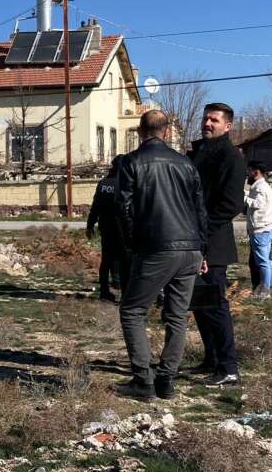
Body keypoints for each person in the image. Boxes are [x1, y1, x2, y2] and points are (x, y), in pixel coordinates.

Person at [112, 110, 207, 402]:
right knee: (177, 316)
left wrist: (132, 244)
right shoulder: (185, 163)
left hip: (156, 247)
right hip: (189, 248)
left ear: (140, 132)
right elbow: (199, 209)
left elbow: (123, 208)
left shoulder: (131, 162)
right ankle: (166, 380)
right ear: (166, 132)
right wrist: (202, 248)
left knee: (132, 311)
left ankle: (144, 381)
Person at [186, 102, 245, 387]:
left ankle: (228, 367)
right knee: (199, 304)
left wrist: (202, 235)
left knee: (215, 306)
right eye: (205, 118)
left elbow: (231, 204)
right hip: (194, 241)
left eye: (214, 120)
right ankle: (211, 359)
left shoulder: (231, 157)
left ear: (227, 126)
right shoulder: (200, 152)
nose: (207, 123)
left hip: (212, 243)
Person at [86, 155, 126, 301]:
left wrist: (90, 225)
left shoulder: (103, 183)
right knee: (124, 259)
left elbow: (95, 206)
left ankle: (104, 290)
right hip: (123, 229)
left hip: (106, 227)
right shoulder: (125, 184)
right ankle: (123, 289)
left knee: (107, 259)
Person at [244, 160, 272, 298]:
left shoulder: (261, 188)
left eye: (249, 171)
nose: (248, 174)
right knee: (267, 261)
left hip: (260, 230)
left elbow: (258, 204)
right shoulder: (261, 186)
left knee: (262, 262)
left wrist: (243, 196)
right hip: (265, 228)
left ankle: (265, 291)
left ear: (256, 172)